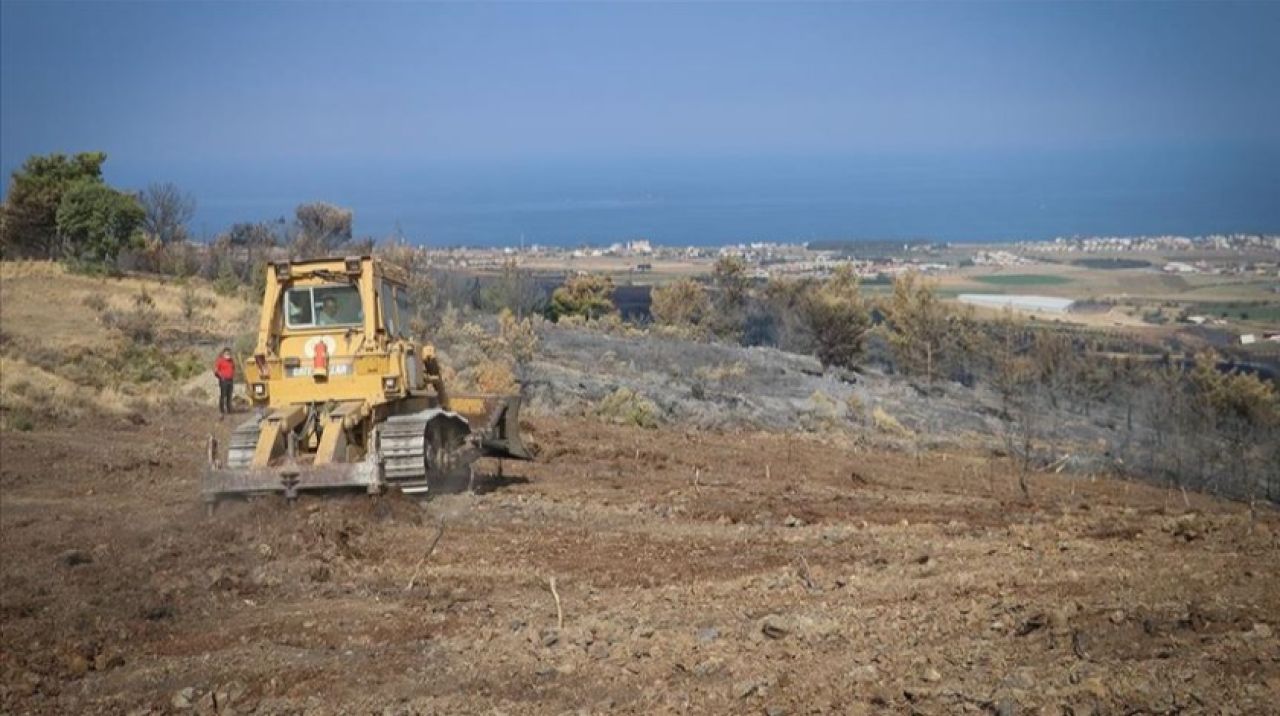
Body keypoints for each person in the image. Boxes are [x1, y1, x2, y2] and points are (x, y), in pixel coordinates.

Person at [213, 348, 235, 416]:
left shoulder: (231, 361)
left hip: (230, 380)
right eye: (226, 353)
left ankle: (229, 409)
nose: (228, 355)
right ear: (223, 354)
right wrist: (221, 377)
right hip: (223, 380)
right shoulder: (220, 361)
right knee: (223, 395)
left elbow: (233, 368)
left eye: (229, 353)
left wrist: (233, 375)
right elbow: (216, 371)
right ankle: (222, 410)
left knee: (229, 395)